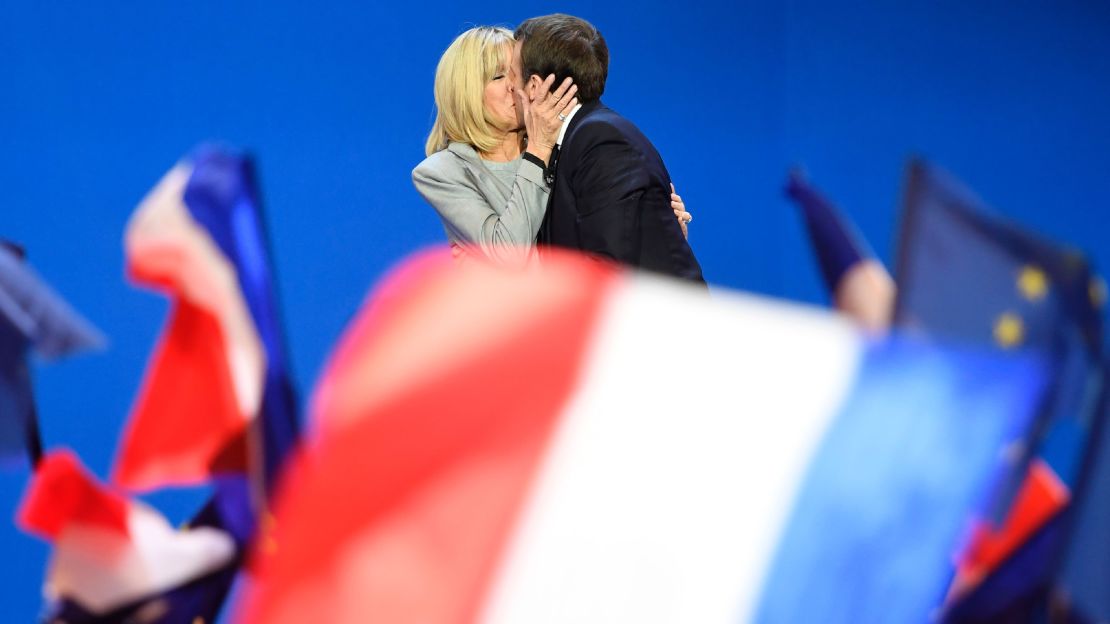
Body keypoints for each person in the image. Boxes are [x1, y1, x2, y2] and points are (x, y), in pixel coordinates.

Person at [413, 26, 693, 264]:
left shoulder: (568, 146)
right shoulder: (443, 172)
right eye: (499, 77)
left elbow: (597, 242)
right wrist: (537, 150)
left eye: (516, 73)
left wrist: (656, 227)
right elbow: (511, 256)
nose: (515, 87)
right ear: (465, 93)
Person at [513, 14, 705, 283]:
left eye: (511, 75)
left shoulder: (601, 140)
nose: (510, 88)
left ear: (533, 87)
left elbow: (607, 269)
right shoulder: (574, 140)